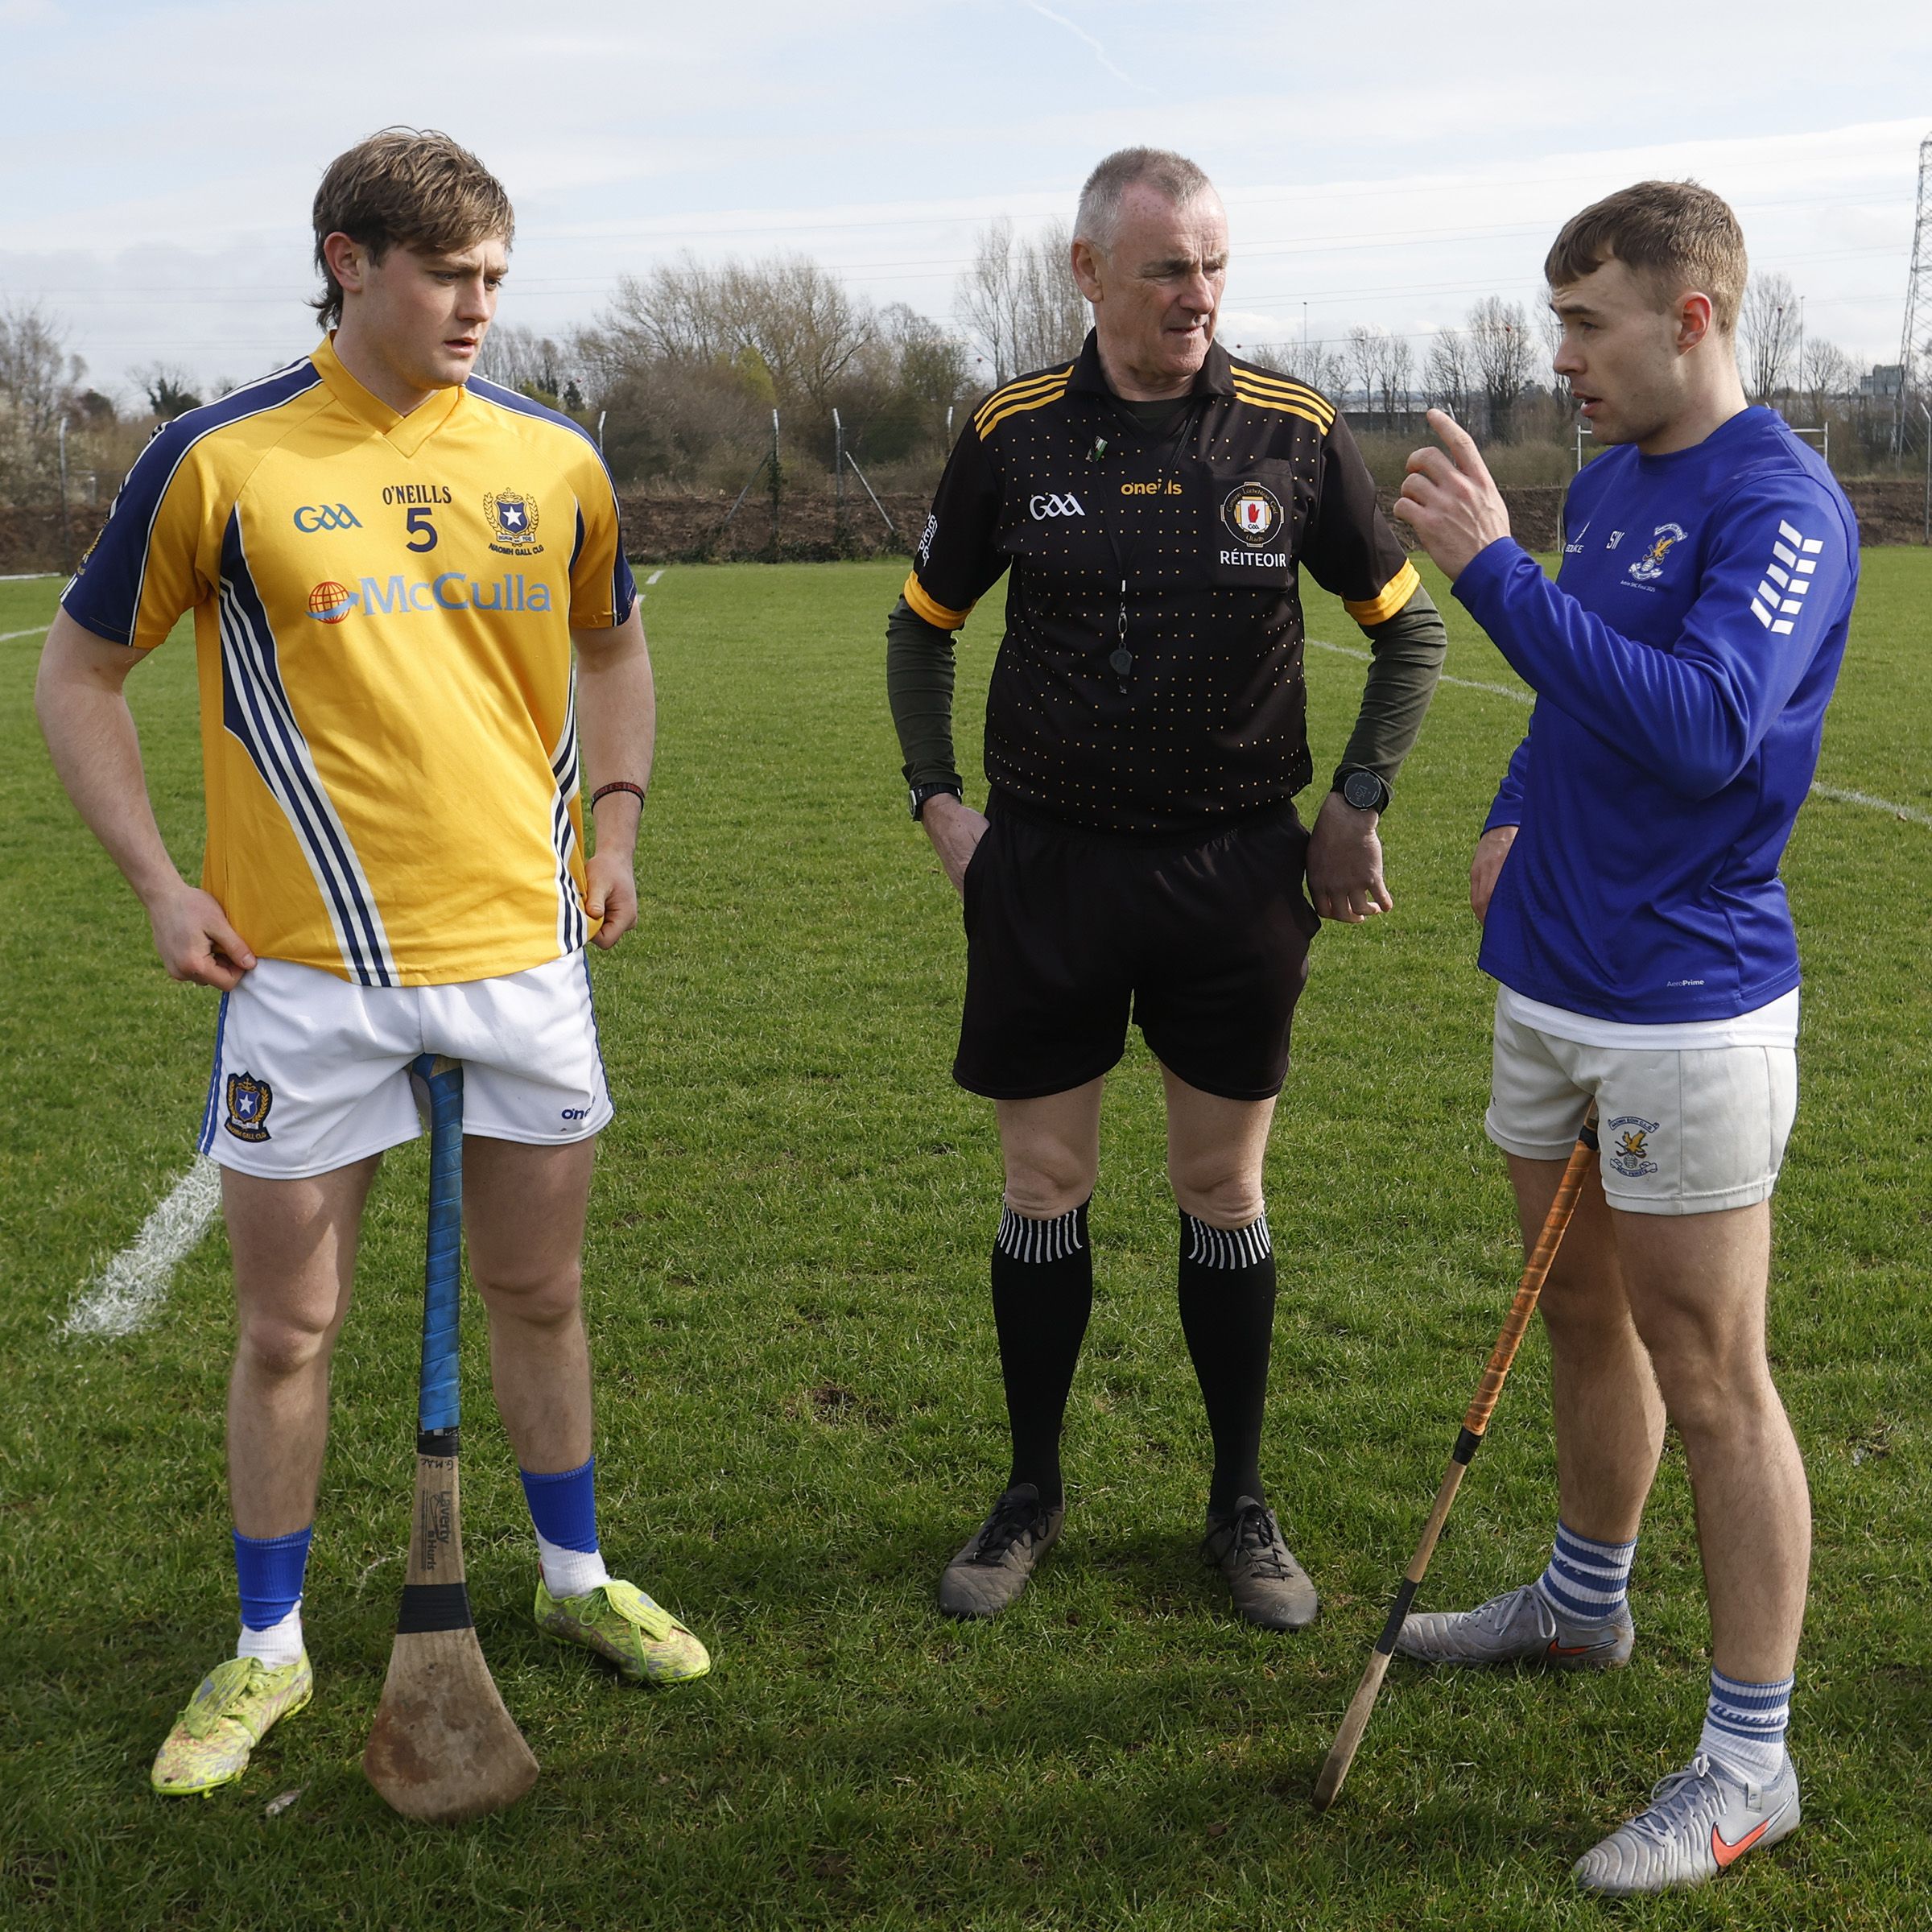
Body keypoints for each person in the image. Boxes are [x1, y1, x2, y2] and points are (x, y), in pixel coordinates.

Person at [35, 128, 710, 1799]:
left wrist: (618, 826)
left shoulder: (555, 459)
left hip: (524, 955)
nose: (480, 307)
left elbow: (616, 644)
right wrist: (157, 885)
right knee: (289, 1327)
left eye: (496, 278)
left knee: (541, 1293)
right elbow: (78, 673)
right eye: (448, 276)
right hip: (302, 975)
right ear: (349, 261)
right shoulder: (219, 460)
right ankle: (267, 1646)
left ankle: (573, 1577)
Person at [886, 147, 1447, 1628]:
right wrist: (940, 804)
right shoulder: (1011, 433)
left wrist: (1357, 801)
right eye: (1167, 270)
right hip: (1047, 868)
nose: (1198, 296)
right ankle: (1029, 1494)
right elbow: (922, 625)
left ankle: (1239, 1505)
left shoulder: (1291, 432)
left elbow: (1410, 633)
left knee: (1223, 1186)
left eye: (1213, 267)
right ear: (1088, 273)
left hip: (1233, 872)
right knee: (1042, 1184)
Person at [1388, 180, 1857, 1894]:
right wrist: (1511, 803)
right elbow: (1575, 691)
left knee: (1713, 1374)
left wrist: (1491, 572)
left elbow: (1710, 726)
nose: (1562, 356)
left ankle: (1749, 1763)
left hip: (1686, 1004)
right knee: (1581, 1314)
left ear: (1693, 317)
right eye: (1558, 321)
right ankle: (1584, 1603)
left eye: (1588, 323)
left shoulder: (1781, 501)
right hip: (1550, 979)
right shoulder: (1608, 484)